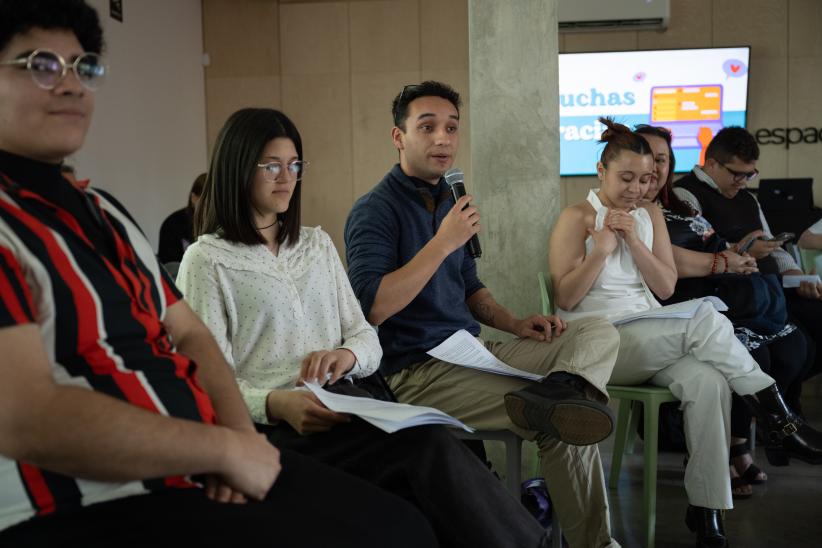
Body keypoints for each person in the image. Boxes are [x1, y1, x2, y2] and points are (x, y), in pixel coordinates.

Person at [0, 2, 437, 547]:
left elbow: (187, 333)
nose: (69, 85)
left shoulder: (103, 211)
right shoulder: (16, 227)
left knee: (407, 521)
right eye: (41, 65)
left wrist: (234, 441)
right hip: (89, 492)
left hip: (201, 450)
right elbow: (24, 417)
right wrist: (228, 446)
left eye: (83, 67)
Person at [176, 106, 550, 548]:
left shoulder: (313, 244)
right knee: (424, 453)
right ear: (238, 169)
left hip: (347, 401)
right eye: (271, 166)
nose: (286, 177)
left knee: (431, 450)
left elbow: (365, 333)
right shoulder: (208, 260)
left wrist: (347, 355)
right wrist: (276, 403)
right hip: (277, 424)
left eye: (294, 165)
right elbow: (204, 382)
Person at [345, 80, 622, 548]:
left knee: (594, 330)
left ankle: (559, 392)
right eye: (427, 127)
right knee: (560, 425)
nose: (443, 139)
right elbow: (372, 306)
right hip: (418, 370)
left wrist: (515, 323)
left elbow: (469, 287)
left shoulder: (454, 200)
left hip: (474, 349)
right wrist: (442, 242)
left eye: (451, 128)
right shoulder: (375, 211)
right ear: (399, 137)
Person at [548, 118, 822, 547]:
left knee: (708, 379)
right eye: (625, 178)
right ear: (600, 172)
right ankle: (778, 416)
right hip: (599, 343)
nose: (637, 189)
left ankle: (708, 510)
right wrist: (600, 252)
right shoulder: (576, 216)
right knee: (707, 319)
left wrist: (634, 242)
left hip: (649, 333)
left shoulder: (651, 212)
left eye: (645, 179)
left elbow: (664, 287)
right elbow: (565, 297)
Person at [635, 124, 813, 498]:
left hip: (713, 300)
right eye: (646, 158)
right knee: (748, 352)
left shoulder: (669, 206)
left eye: (662, 160)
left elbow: (710, 245)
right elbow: (668, 271)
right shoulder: (634, 210)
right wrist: (727, 260)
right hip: (672, 309)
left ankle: (750, 443)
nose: (653, 169)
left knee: (793, 345)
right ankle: (767, 433)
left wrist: (736, 257)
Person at [673, 127, 822, 380]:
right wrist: (741, 249)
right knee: (787, 352)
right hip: (725, 297)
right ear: (711, 164)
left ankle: (784, 408)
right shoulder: (685, 194)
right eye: (736, 174)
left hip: (767, 292)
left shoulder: (748, 199)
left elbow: (772, 246)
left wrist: (797, 276)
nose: (742, 182)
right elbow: (693, 248)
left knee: (811, 332)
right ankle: (769, 411)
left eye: (749, 174)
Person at [157, 172, 205, 265]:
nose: (213, 209)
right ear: (194, 198)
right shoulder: (172, 224)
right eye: (207, 201)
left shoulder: (223, 225)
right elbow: (170, 268)